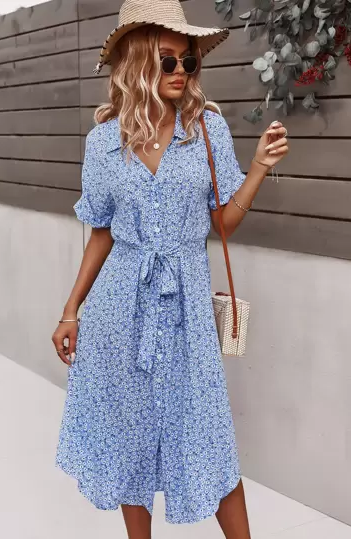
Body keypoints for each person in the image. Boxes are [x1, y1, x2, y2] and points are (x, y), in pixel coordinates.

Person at [52, 0, 289, 537]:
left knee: (210, 439)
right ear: (138, 62)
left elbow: (223, 222)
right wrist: (71, 310)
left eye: (189, 61)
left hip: (187, 311)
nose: (181, 71)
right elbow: (101, 233)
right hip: (119, 314)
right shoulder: (102, 142)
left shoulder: (206, 129)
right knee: (129, 441)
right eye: (167, 60)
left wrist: (258, 168)